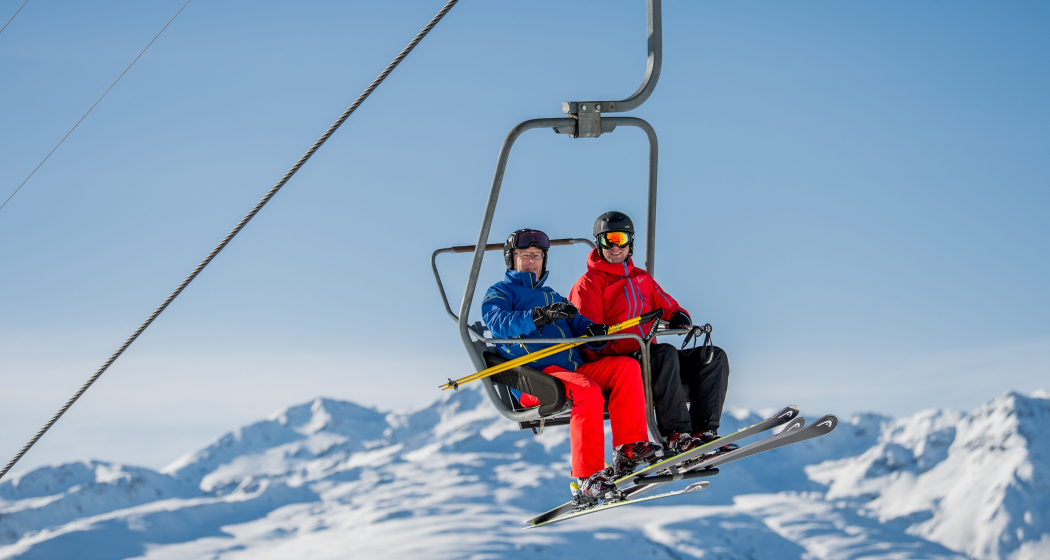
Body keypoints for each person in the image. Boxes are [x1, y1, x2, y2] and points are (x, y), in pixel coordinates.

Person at [482, 228, 661, 504]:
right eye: (525, 255)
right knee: (586, 390)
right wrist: (538, 316)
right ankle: (588, 476)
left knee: (626, 367)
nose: (532, 261)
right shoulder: (500, 293)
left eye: (537, 256)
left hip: (571, 371)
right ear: (512, 259)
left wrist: (592, 331)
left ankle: (629, 447)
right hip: (536, 377)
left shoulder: (552, 295)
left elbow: (579, 324)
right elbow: (499, 323)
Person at [569, 211, 732, 453]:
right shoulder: (588, 284)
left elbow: (667, 304)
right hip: (619, 361)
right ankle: (676, 434)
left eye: (620, 239)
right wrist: (616, 341)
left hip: (650, 355)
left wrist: (678, 315)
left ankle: (705, 431)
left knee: (712, 356)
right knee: (663, 353)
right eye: (608, 240)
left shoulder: (641, 279)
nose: (615, 247)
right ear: (598, 244)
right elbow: (590, 337)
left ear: (630, 242)